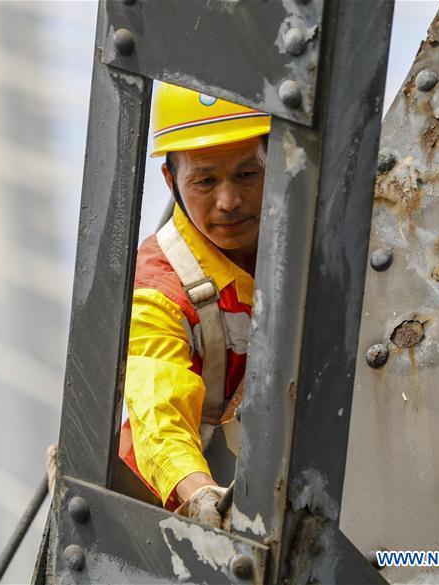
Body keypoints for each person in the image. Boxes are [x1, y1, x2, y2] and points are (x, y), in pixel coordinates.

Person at [118, 81, 270, 529]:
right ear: (172, 181)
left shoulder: (308, 238)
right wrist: (202, 496)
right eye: (205, 181)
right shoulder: (159, 289)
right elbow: (157, 406)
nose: (229, 201)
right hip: (162, 515)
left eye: (247, 174)